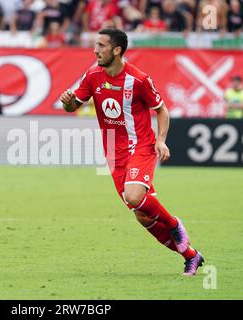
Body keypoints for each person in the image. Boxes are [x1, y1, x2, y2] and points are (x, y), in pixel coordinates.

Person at [59, 28, 204, 276]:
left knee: (135, 196)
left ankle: (173, 224)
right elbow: (74, 107)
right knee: (143, 216)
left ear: (117, 50)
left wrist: (161, 140)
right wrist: (67, 101)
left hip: (141, 146)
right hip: (114, 154)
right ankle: (190, 255)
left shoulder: (138, 79)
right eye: (95, 45)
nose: (95, 50)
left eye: (102, 46)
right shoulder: (93, 75)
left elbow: (162, 109)